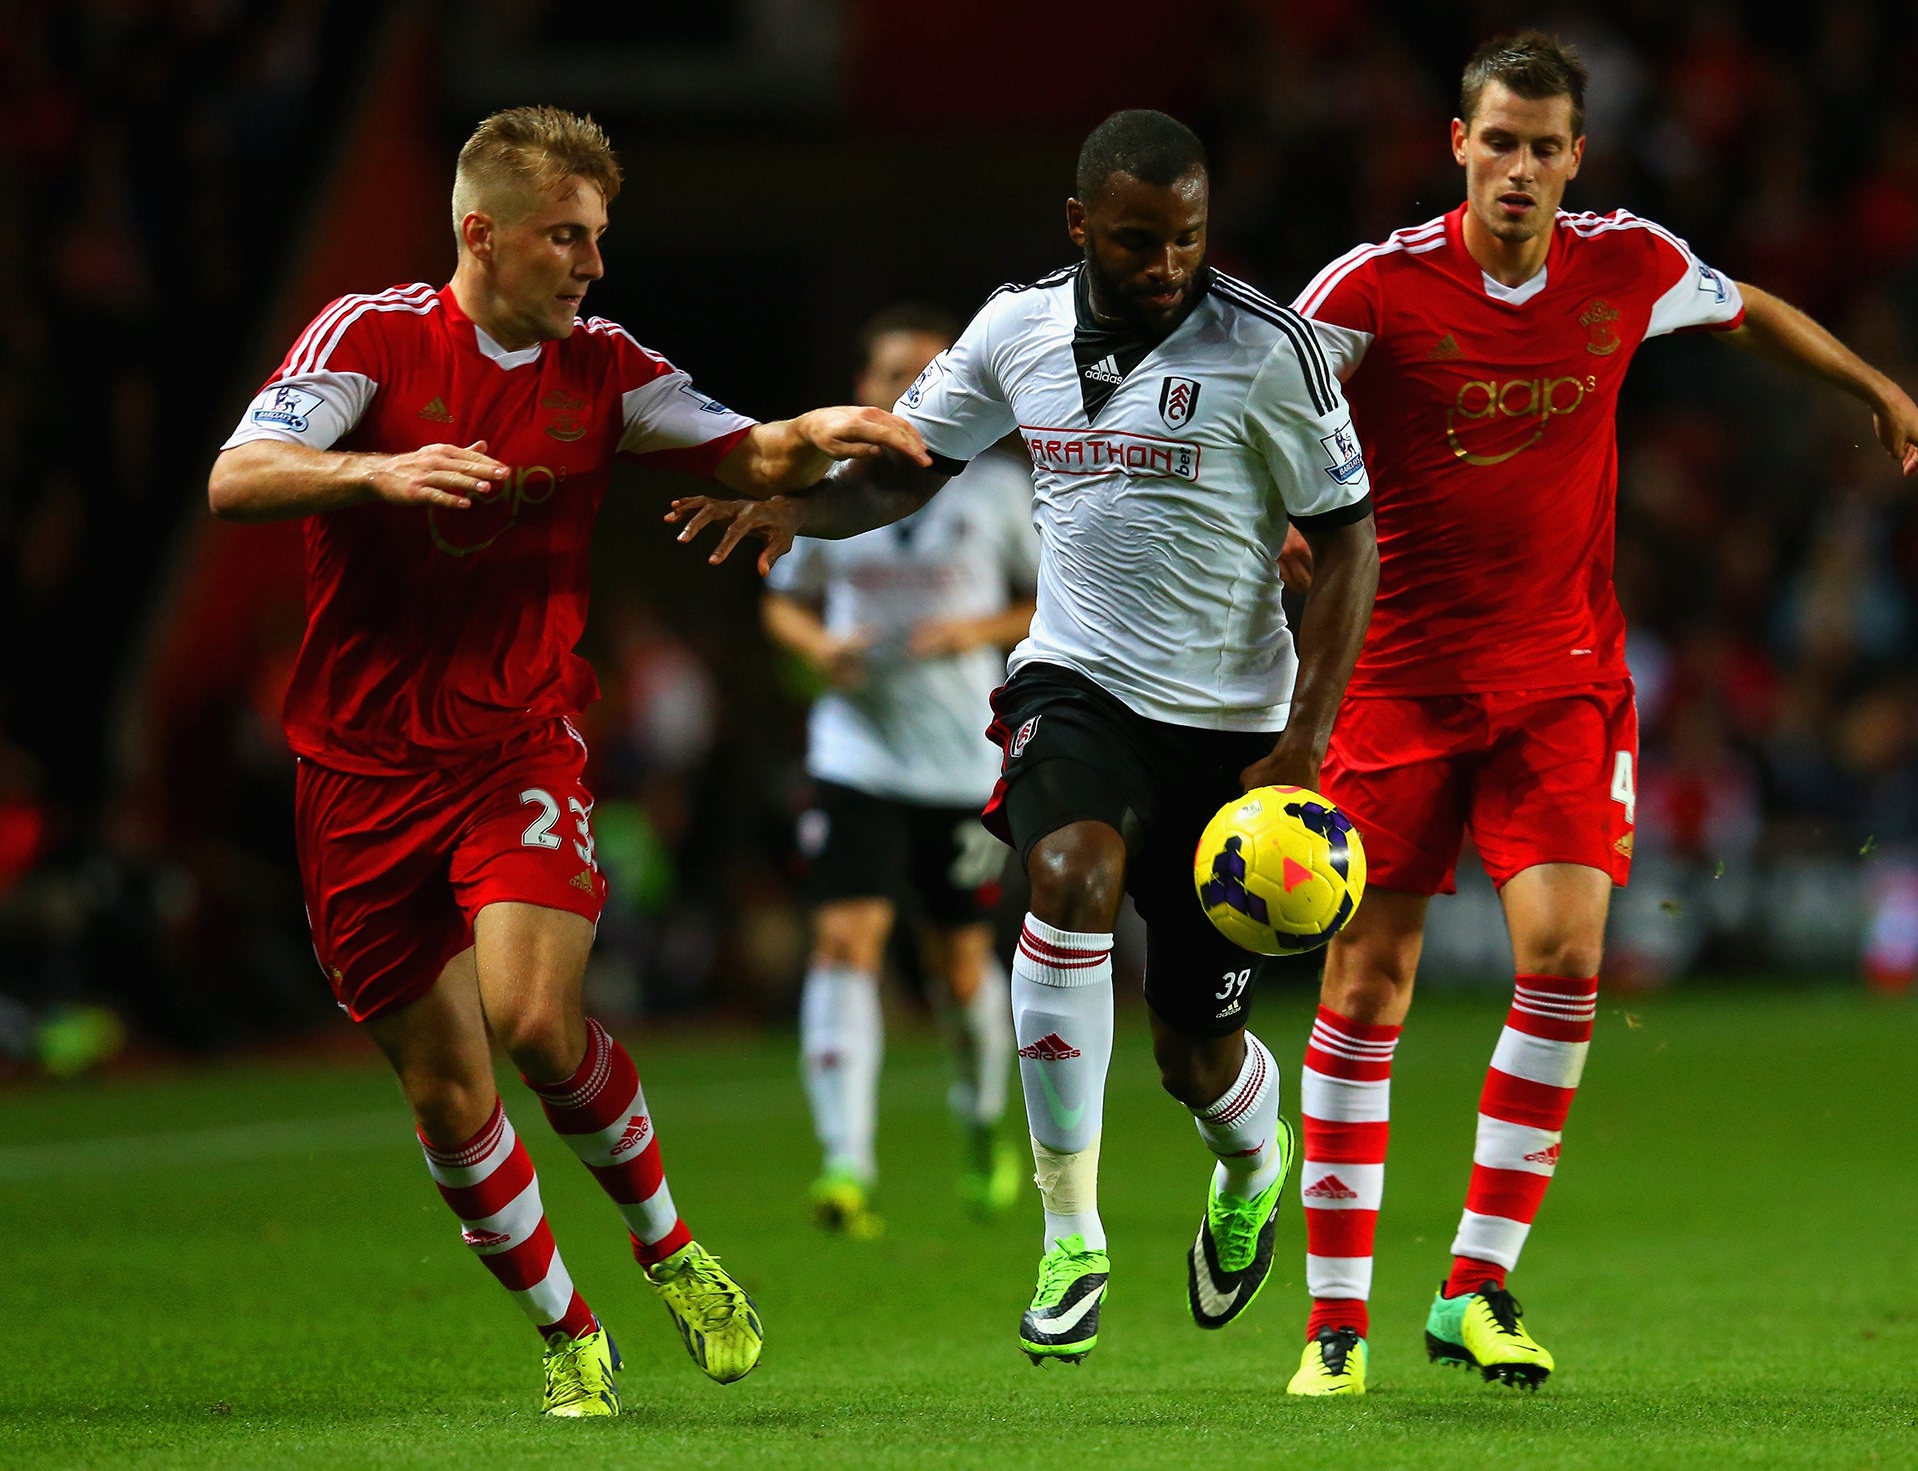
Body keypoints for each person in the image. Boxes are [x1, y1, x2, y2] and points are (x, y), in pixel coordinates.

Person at [206, 105, 929, 1417]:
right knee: (445, 1090)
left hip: (515, 745)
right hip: (356, 776)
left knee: (538, 1019)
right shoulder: (369, 337)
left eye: (599, 239)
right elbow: (238, 475)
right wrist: (373, 478)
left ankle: (668, 1246)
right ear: (482, 232)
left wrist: (813, 430)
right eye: (567, 238)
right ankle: (566, 1331)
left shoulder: (606, 369)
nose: (592, 266)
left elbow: (748, 446)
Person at [668, 109, 1380, 1365]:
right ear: (1078, 226)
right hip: (1079, 684)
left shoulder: (1269, 349)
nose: (1167, 263)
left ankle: (1251, 1166)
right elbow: (903, 470)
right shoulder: (1014, 328)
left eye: (1188, 238)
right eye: (1137, 240)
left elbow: (1350, 540)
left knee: (1194, 1055)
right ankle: (1070, 1237)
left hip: (1233, 729)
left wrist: (1305, 738)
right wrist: (791, 505)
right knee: (1063, 878)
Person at [1278, 31, 1918, 1397]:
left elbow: (1743, 305)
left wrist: (1867, 381)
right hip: (1393, 683)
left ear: (1576, 156)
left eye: (1543, 146)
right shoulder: (1369, 292)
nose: (1518, 168)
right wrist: (1280, 529)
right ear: (1456, 145)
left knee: (1568, 957)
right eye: (1496, 141)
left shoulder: (1626, 263)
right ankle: (1334, 1323)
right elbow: (1258, 416)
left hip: (1564, 681)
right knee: (1368, 981)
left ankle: (1474, 1287)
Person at [763, 303, 1039, 1235]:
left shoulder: (996, 491)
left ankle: (982, 1123)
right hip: (856, 756)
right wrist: (820, 647)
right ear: (863, 391)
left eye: (928, 378)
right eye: (893, 377)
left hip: (964, 762)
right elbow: (784, 603)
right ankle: (846, 1165)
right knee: (844, 944)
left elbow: (1050, 605)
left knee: (959, 966)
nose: (908, 394)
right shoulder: (829, 489)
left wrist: (978, 629)